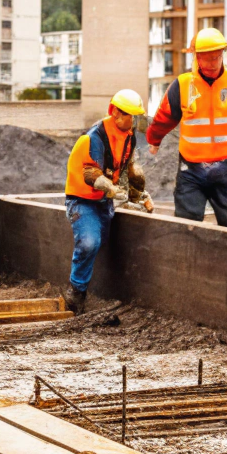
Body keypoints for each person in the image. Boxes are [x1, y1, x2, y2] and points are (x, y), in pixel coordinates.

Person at [144, 28, 227, 228]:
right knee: (186, 227)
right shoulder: (182, 86)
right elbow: (164, 117)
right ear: (196, 58)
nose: (213, 64)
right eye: (207, 59)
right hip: (191, 170)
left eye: (217, 57)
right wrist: (154, 140)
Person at [63, 89, 153, 314]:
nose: (135, 121)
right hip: (81, 200)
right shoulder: (96, 136)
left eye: (136, 116)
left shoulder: (129, 136)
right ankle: (76, 292)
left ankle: (83, 289)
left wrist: (139, 194)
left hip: (103, 201)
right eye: (131, 116)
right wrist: (112, 189)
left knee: (98, 243)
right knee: (89, 242)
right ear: (116, 113)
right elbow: (90, 174)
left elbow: (128, 168)